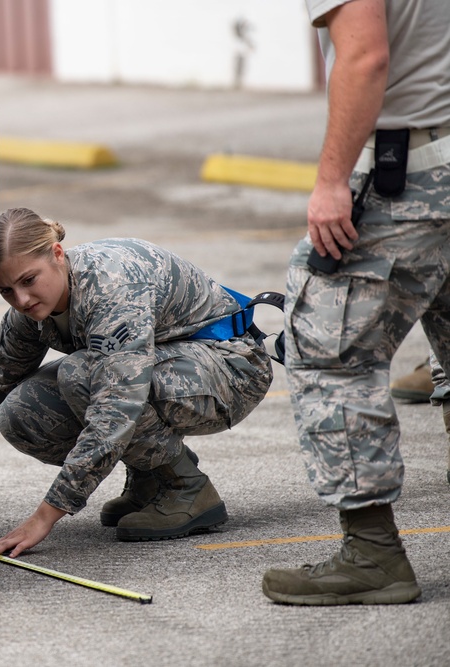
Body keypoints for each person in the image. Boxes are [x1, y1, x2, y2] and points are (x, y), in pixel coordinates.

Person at [0, 207, 273, 558]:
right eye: (7, 290)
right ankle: (149, 479)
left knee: (82, 376)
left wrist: (45, 516)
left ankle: (187, 487)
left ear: (57, 254)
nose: (22, 300)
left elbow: (115, 407)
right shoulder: (26, 315)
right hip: (173, 363)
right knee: (20, 410)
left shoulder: (112, 288)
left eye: (29, 280)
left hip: (233, 368)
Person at [262, 0, 450, 605]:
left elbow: (365, 56)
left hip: (411, 175)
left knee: (328, 351)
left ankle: (372, 555)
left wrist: (330, 180)